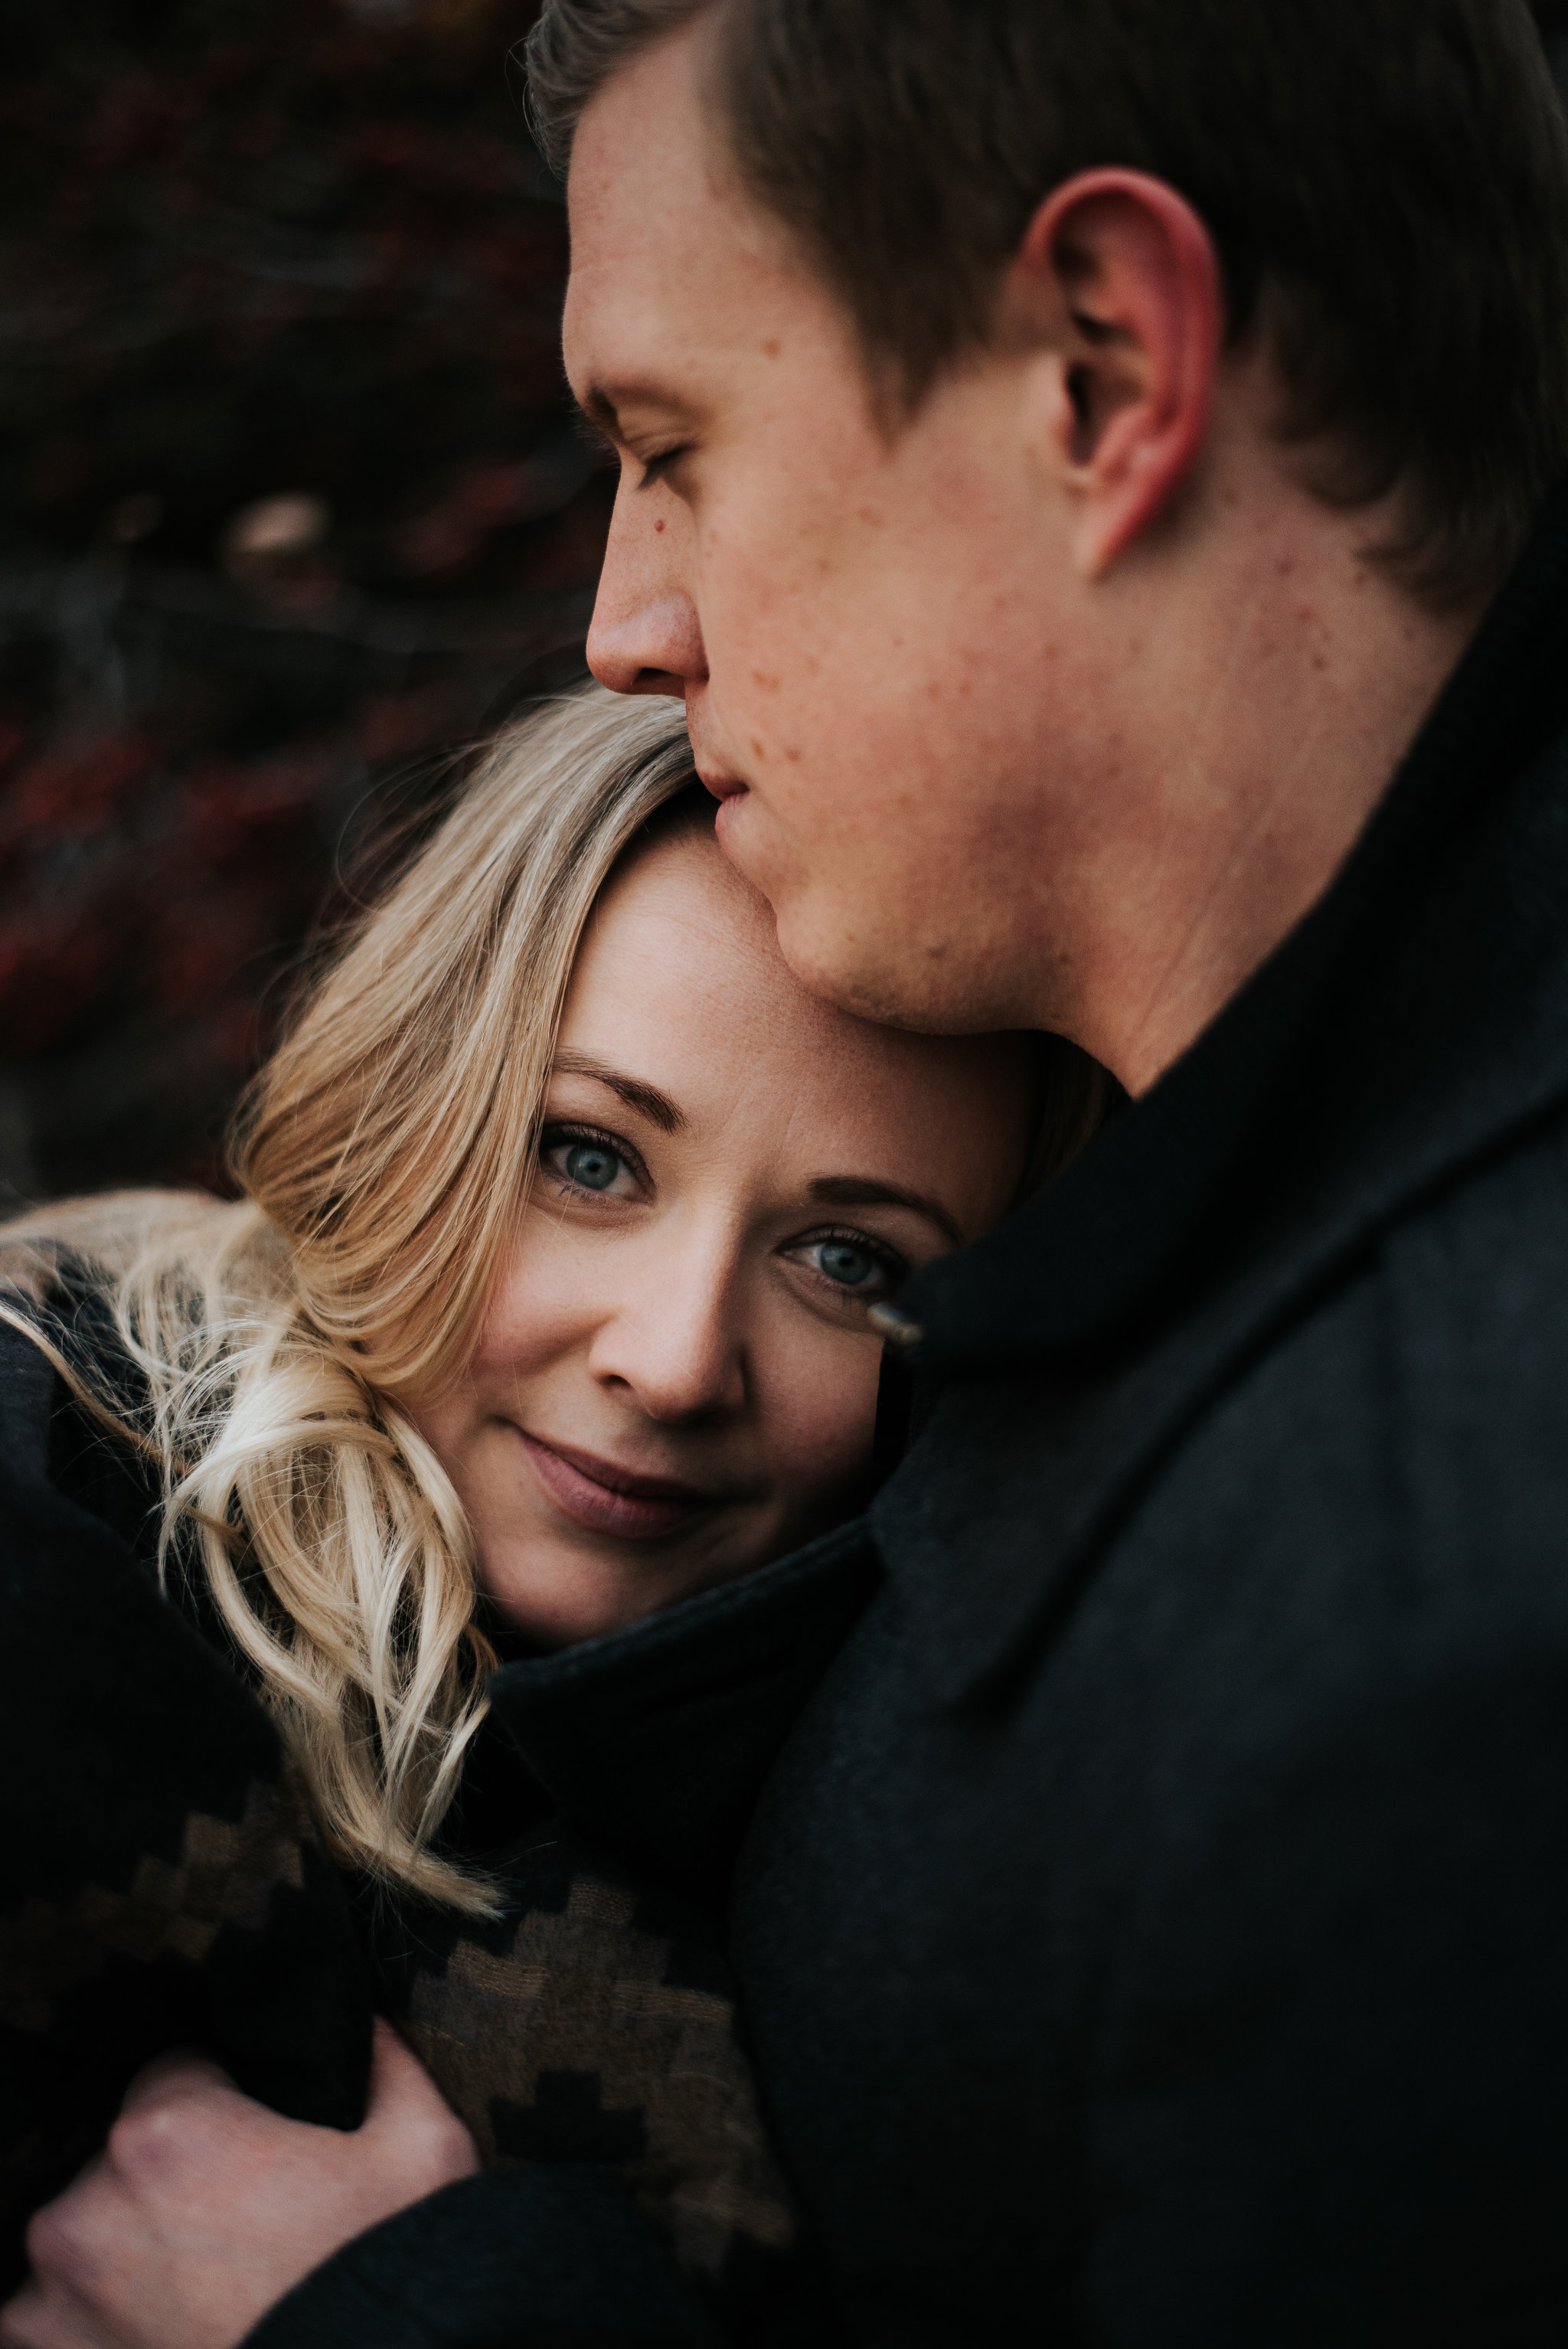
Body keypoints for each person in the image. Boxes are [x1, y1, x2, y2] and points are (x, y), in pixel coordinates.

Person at [10, 0, 1568, 2341]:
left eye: (675, 445)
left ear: (1104, 365)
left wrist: (428, 2317)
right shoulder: (1213, 1264)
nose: (628, 624)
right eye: (588, 1155)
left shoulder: (1438, 1597)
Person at [0, 684, 1065, 2343]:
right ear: (411, 1112)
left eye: (848, 1261)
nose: (673, 1357)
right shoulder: (52, 1541)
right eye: (587, 1156)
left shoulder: (921, 1789)